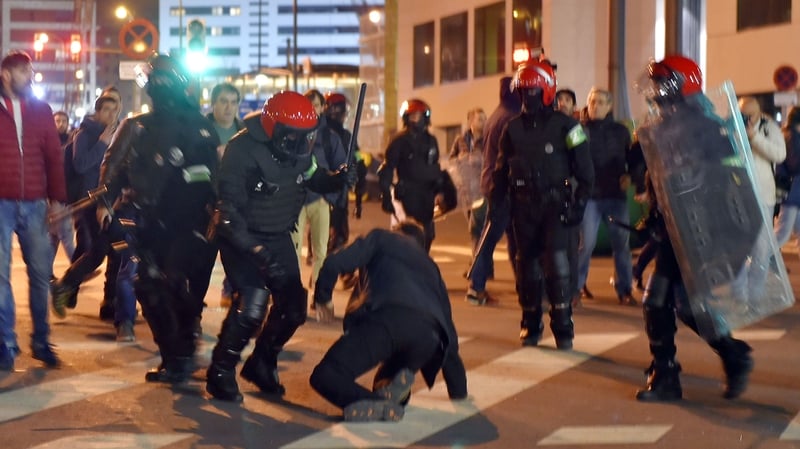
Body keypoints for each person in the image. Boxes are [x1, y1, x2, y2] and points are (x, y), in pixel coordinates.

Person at [204, 90, 355, 402]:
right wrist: (256, 252)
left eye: (306, 139)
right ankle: (220, 370)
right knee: (253, 302)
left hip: (278, 233)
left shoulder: (300, 150)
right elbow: (227, 213)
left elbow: (313, 177)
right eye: (295, 139)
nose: (302, 146)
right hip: (241, 237)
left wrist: (338, 179)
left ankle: (263, 362)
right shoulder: (241, 150)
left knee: (293, 306)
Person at [633, 55, 755, 401]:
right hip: (674, 230)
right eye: (655, 83)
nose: (656, 90)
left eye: (663, 83)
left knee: (685, 305)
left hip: (702, 229)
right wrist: (652, 218)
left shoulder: (705, 125)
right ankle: (665, 376)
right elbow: (659, 178)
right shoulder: (659, 127)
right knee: (656, 301)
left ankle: (733, 354)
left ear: (681, 85)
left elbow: (731, 179)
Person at [97, 53, 220, 382]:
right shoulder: (138, 127)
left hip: (190, 223)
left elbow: (213, 176)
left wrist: (217, 212)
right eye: (156, 80)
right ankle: (174, 356)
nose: (160, 86)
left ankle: (184, 348)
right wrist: (103, 202)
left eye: (166, 80)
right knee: (149, 284)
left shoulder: (199, 126)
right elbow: (114, 170)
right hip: (151, 222)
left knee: (174, 283)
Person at [310, 220, 467, 422]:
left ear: (397, 232)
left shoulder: (382, 239)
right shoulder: (431, 267)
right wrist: (458, 390)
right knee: (385, 378)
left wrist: (323, 299)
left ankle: (375, 403)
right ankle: (392, 385)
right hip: (429, 337)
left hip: (388, 319)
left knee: (326, 375)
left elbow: (334, 263)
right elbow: (450, 336)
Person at [492, 61, 594, 349]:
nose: (528, 98)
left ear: (547, 91)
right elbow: (501, 169)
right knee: (527, 268)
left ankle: (563, 326)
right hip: (523, 207)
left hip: (556, 205)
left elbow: (585, 170)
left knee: (559, 266)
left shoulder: (569, 126)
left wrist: (579, 203)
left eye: (533, 91)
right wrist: (496, 199)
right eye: (523, 92)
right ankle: (531, 323)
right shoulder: (511, 129)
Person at [0, 50, 66, 369]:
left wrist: (57, 201)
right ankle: (6, 343)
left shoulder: (41, 110)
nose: (31, 76)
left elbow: (54, 157)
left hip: (36, 202)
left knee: (40, 274)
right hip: (1, 204)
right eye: (25, 71)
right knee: (0, 278)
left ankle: (41, 340)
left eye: (31, 70)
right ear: (6, 75)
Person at [50, 93, 120, 318]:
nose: (111, 114)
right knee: (98, 248)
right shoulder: (84, 134)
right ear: (98, 112)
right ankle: (66, 285)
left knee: (98, 247)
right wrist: (102, 144)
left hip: (106, 200)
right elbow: (80, 165)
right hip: (87, 201)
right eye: (107, 110)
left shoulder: (118, 134)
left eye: (114, 110)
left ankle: (70, 288)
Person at [576, 87, 636, 306]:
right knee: (586, 243)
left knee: (621, 244)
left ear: (609, 106)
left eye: (601, 102)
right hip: (590, 196)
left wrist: (630, 175)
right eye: (592, 101)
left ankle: (625, 289)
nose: (596, 105)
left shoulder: (621, 131)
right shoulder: (579, 130)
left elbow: (632, 158)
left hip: (615, 195)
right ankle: (577, 286)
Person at [465, 77, 521, 306]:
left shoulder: (498, 114)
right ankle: (475, 286)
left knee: (513, 238)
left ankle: (523, 285)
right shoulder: (510, 117)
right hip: (503, 185)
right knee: (492, 239)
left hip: (493, 184)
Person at [291, 89, 347, 288]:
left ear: (323, 107)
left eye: (316, 105)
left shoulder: (330, 137)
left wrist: (332, 198)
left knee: (321, 250)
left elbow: (340, 166)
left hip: (320, 199)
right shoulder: (292, 133)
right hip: (295, 200)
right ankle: (294, 291)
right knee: (292, 249)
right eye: (308, 105)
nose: (312, 109)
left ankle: (318, 289)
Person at [731, 96, 786, 299]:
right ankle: (739, 293)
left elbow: (780, 154)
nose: (746, 120)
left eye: (749, 116)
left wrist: (754, 136)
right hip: (737, 195)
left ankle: (755, 295)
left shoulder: (768, 127)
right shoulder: (731, 127)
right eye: (742, 115)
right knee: (737, 247)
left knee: (761, 248)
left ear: (759, 113)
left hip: (763, 194)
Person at [378, 98, 447, 251]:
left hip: (426, 196)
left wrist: (441, 192)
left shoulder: (431, 141)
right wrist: (386, 196)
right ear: (406, 118)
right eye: (412, 116)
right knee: (405, 237)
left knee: (428, 235)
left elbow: (435, 168)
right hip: (406, 196)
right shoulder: (399, 141)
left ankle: (421, 267)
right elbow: (387, 169)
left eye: (419, 115)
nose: (416, 119)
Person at [206, 82, 245, 308]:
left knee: (236, 250)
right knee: (203, 254)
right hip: (206, 201)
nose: (229, 107)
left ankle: (229, 291)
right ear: (213, 104)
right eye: (223, 101)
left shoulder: (244, 132)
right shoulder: (202, 129)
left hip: (234, 201)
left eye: (233, 102)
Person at [449, 107, 487, 261]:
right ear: (470, 121)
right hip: (466, 192)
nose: (484, 122)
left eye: (484, 119)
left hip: (481, 190)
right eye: (480, 119)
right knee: (477, 229)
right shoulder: (461, 139)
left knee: (476, 228)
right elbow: (451, 160)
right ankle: (483, 265)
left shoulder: (488, 138)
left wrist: (478, 159)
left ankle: (477, 266)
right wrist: (460, 159)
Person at [49, 111, 76, 263]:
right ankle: (78, 268)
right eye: (57, 120)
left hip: (66, 193)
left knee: (53, 236)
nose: (60, 124)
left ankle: (46, 273)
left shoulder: (72, 142)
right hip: (53, 195)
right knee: (65, 233)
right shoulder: (48, 141)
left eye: (63, 121)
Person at [774, 106, 800, 250]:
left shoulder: (790, 135)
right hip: (791, 195)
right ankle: (749, 268)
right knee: (780, 236)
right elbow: (794, 164)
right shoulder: (791, 136)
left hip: (794, 194)